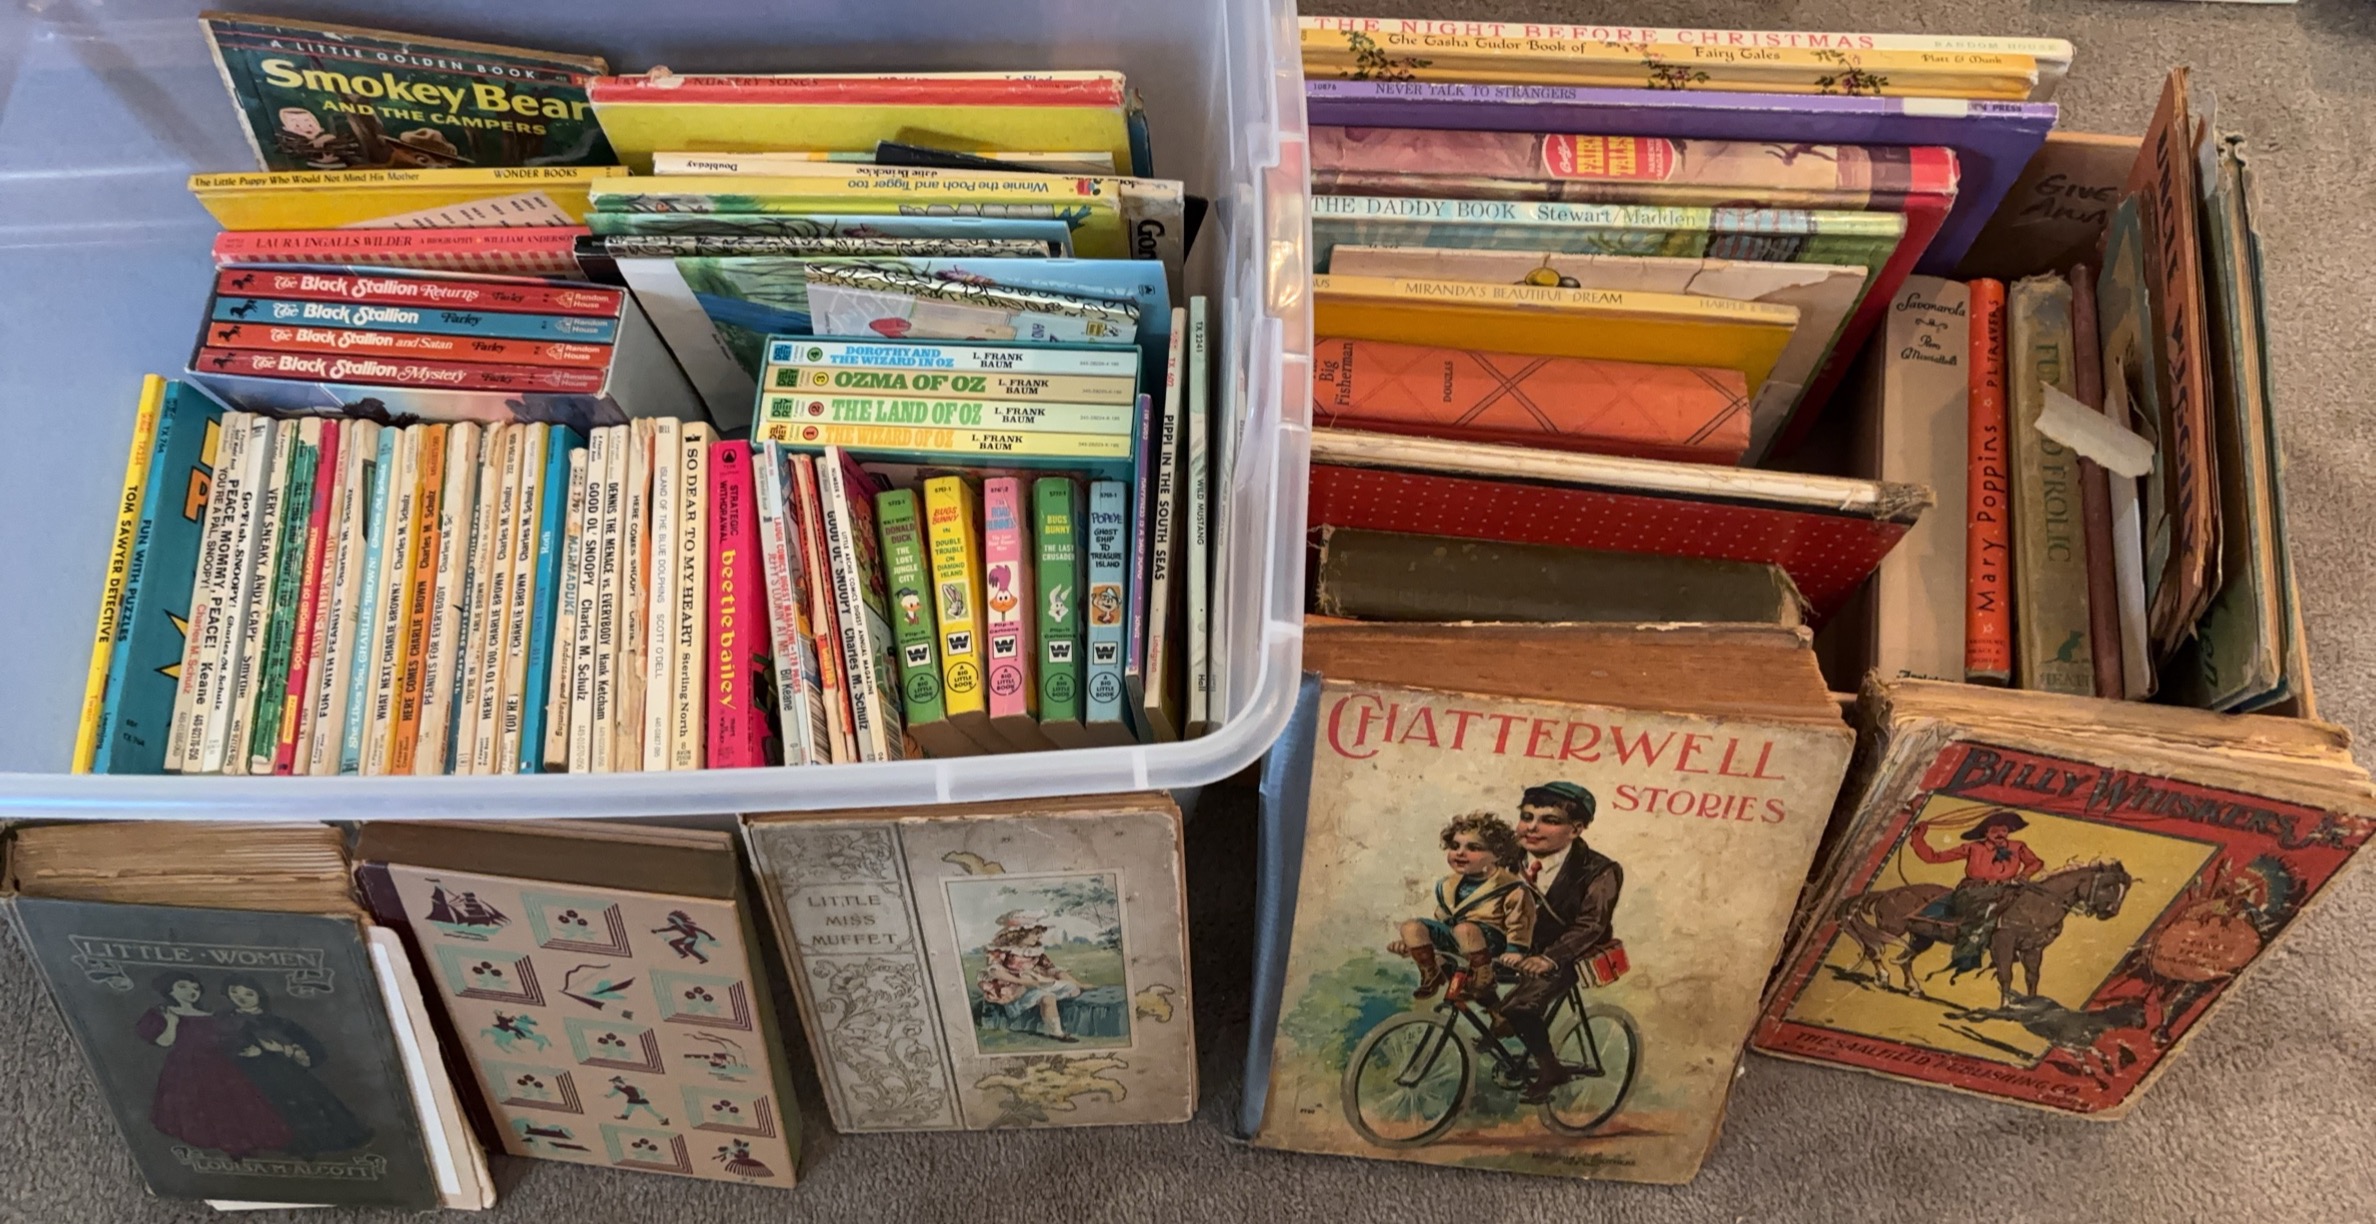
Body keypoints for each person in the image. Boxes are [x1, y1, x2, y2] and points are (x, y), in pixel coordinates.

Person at [1496, 782, 1625, 1105]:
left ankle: (1551, 1069)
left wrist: (1550, 958)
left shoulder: (1599, 870)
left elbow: (1591, 925)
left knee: (1520, 1007)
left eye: (1549, 820)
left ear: (1576, 829)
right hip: (1516, 945)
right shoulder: (1505, 858)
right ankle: (1501, 1023)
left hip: (1567, 953)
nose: (1532, 828)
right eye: (1527, 817)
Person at [133, 974, 291, 1158]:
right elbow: (165, 1042)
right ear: (170, 990)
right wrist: (172, 1023)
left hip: (217, 1063)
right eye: (183, 986)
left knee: (229, 1103)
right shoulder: (165, 1013)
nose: (191, 991)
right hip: (185, 1064)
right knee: (193, 1103)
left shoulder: (211, 1016)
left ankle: (238, 1143)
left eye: (195, 988)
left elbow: (224, 1039)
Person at [1386, 811, 1536, 1004]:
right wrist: (1415, 942)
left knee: (1464, 929)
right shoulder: (1448, 885)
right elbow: (1443, 918)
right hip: (1458, 941)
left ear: (1497, 855)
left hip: (1492, 947)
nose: (1460, 853)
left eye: (1473, 848)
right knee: (1411, 926)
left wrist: (1515, 949)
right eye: (1455, 846)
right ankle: (1432, 973)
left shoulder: (1511, 887)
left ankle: (1482, 979)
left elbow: (1521, 922)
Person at [222, 976, 373, 1157]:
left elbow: (315, 1050)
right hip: (245, 1075)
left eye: (248, 993)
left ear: (259, 995)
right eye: (235, 992)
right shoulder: (224, 1021)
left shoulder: (279, 1023)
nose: (241, 998)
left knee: (303, 1106)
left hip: (284, 1074)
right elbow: (216, 1046)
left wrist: (282, 1049)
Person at [1910, 809, 2044, 976]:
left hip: (2007, 890)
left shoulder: (2018, 846)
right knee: (1984, 914)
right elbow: (1934, 857)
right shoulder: (1973, 847)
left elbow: (2036, 862)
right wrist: (1918, 838)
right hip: (1974, 892)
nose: (2000, 834)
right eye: (1994, 831)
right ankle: (1967, 955)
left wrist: (2024, 875)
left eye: (2004, 830)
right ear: (1985, 833)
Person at [975, 912, 1087, 1043]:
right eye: (1036, 933)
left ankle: (1056, 1022)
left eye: (1040, 933)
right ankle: (1058, 1033)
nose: (1040, 936)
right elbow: (995, 972)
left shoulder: (1035, 951)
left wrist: (1050, 976)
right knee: (1047, 998)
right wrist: (1023, 981)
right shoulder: (1003, 951)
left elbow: (1050, 968)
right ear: (1021, 933)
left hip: (1032, 985)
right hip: (1014, 992)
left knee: (1070, 988)